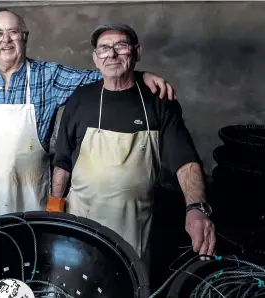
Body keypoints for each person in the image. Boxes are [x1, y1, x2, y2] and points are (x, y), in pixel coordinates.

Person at [0, 9, 177, 225]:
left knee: (32, 245)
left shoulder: (48, 76)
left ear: (25, 38)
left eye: (13, 32)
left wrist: (139, 75)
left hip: (31, 188)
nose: (6, 40)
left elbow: (103, 75)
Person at [47, 24, 216, 265]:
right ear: (96, 59)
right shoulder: (79, 100)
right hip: (80, 217)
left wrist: (197, 208)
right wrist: (54, 205)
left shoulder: (159, 102)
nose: (112, 54)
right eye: (104, 49)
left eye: (121, 46)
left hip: (134, 224)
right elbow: (62, 160)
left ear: (136, 53)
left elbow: (185, 160)